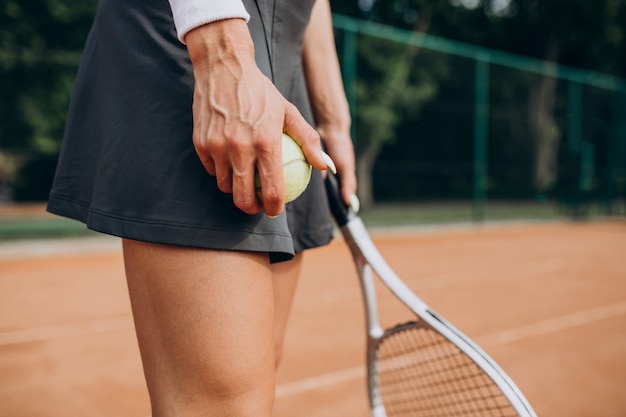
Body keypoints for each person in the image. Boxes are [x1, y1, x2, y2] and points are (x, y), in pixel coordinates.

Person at [47, 0, 357, 415]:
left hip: (285, 42)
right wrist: (219, 52)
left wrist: (334, 118)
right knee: (220, 403)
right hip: (200, 28)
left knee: (265, 358)